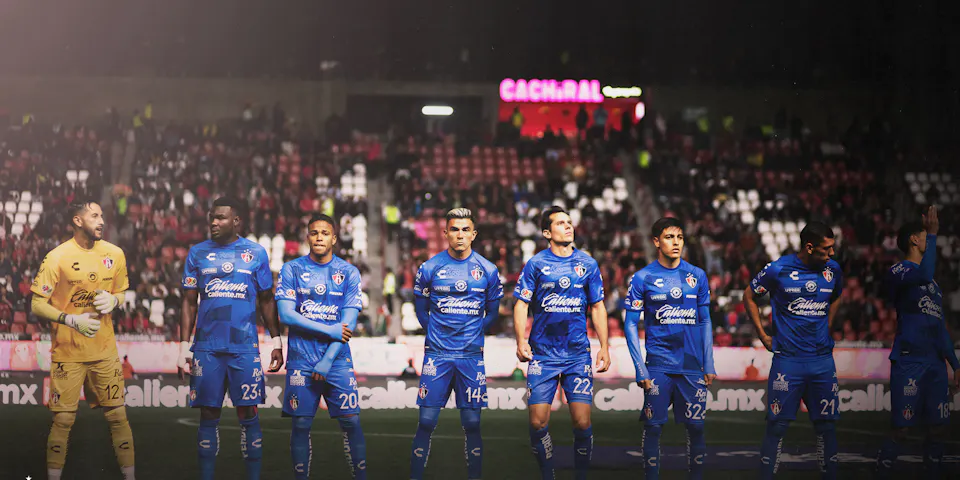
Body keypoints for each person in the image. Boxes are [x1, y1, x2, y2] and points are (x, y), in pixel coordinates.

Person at [179, 197, 284, 480]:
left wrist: (277, 342)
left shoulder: (256, 253)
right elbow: (188, 303)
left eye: (221, 218)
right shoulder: (197, 253)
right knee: (208, 415)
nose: (214, 222)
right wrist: (182, 348)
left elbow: (266, 300)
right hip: (207, 349)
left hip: (244, 348)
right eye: (212, 217)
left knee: (248, 413)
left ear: (236, 221)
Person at [30, 201, 135, 480]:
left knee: (117, 415)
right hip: (68, 352)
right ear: (77, 221)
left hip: (104, 351)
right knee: (63, 420)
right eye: (94, 216)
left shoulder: (115, 254)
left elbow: (123, 293)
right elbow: (37, 304)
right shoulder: (57, 257)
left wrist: (114, 300)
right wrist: (70, 319)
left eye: (102, 215)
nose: (101, 221)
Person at [514, 206, 611, 480]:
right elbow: (521, 304)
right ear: (547, 232)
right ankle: (549, 475)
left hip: (577, 355)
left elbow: (598, 307)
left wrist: (604, 346)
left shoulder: (588, 264)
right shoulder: (535, 264)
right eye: (560, 223)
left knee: (582, 423)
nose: (568, 226)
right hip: (543, 355)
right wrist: (520, 340)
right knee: (537, 422)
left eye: (569, 222)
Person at [743, 221, 844, 479]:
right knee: (777, 426)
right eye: (826, 249)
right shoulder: (778, 269)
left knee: (827, 427)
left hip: (822, 361)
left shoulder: (833, 270)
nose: (831, 254)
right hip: (788, 362)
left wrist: (828, 325)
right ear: (809, 247)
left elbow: (837, 296)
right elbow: (749, 296)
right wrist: (763, 335)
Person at [409, 208, 503, 480]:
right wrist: (437, 333)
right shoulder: (429, 268)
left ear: (473, 234)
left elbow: (493, 312)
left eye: (465, 230)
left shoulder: (488, 270)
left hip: (470, 356)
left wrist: (473, 333)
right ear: (445, 233)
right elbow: (420, 311)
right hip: (437, 355)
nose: (459, 234)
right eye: (454, 229)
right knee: (426, 422)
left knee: (472, 424)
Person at [277, 214, 367, 479]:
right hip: (300, 360)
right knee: (301, 424)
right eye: (314, 233)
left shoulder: (349, 273)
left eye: (324, 233)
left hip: (337, 360)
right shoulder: (291, 270)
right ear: (308, 237)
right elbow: (286, 315)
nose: (319, 237)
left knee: (351, 421)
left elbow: (347, 323)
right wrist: (329, 329)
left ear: (334, 238)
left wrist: (327, 361)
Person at [623, 217, 715, 480]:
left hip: (691, 366)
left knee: (696, 428)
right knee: (653, 428)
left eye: (679, 237)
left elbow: (705, 320)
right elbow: (630, 324)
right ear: (656, 241)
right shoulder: (643, 278)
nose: (676, 243)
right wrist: (640, 367)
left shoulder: (697, 275)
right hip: (659, 366)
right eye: (669, 237)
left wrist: (708, 362)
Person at [876, 207, 960, 478]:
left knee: (939, 426)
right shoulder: (899, 270)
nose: (928, 240)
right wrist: (934, 234)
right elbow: (922, 275)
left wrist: (955, 364)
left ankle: (932, 471)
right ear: (914, 239)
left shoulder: (934, 286)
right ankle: (882, 470)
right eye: (924, 236)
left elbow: (940, 327)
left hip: (935, 363)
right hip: (909, 359)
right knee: (902, 428)